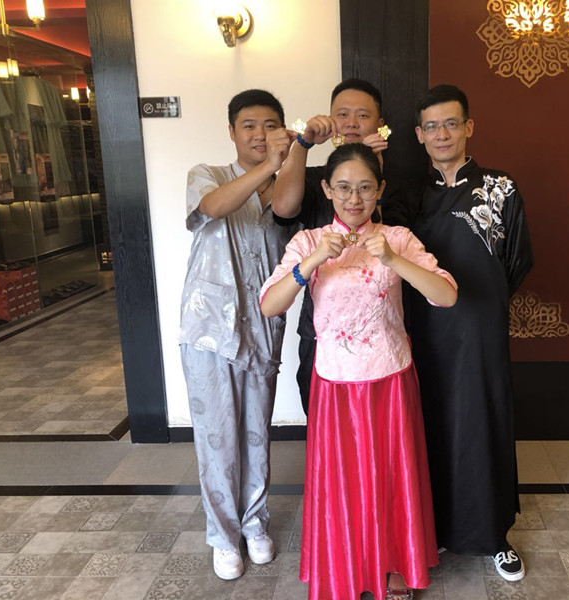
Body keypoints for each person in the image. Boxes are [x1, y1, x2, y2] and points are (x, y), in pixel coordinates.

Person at [260, 144, 457, 600]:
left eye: (365, 188)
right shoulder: (308, 242)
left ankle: (393, 564)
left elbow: (446, 295)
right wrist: (312, 262)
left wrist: (393, 260)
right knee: (342, 483)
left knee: (391, 478)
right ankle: (345, 564)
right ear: (326, 189)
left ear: (380, 190)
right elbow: (270, 304)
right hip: (334, 383)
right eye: (344, 187)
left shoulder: (397, 238)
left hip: (391, 378)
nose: (354, 198)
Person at [382, 84, 534, 581]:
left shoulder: (501, 189)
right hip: (423, 331)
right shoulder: (405, 195)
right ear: (418, 135)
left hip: (481, 329)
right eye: (432, 126)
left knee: (484, 424)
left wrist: (483, 306)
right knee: (428, 425)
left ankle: (494, 536)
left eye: (451, 123)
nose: (442, 134)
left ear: (468, 126)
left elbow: (517, 261)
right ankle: (434, 531)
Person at [178, 89, 298, 581]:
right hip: (209, 329)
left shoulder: (286, 189)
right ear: (232, 131)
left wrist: (287, 164)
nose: (259, 134)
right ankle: (223, 536)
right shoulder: (207, 174)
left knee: (255, 434)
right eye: (249, 125)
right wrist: (268, 165)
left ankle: (254, 523)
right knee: (217, 438)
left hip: (262, 328)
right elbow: (213, 206)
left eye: (270, 125)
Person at [269, 78, 387, 416]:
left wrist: (377, 167)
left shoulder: (396, 179)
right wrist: (303, 143)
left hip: (381, 331)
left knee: (378, 425)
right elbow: (283, 208)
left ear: (380, 124)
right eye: (342, 114)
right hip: (322, 329)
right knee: (324, 424)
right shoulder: (316, 178)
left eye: (362, 115)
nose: (352, 123)